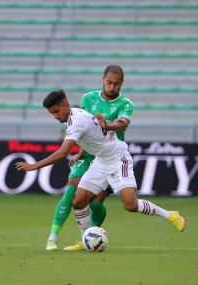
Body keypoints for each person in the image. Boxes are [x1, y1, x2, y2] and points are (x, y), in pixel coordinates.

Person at [16, 89, 185, 242]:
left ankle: (170, 215)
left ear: (65, 105)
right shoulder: (73, 115)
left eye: (56, 111)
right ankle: (86, 239)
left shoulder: (76, 121)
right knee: (79, 201)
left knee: (130, 205)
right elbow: (92, 138)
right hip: (100, 161)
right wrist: (80, 155)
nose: (55, 116)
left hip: (119, 159)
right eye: (51, 113)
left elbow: (62, 152)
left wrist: (34, 166)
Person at [45, 65, 135, 251]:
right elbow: (88, 129)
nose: (112, 87)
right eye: (109, 82)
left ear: (122, 84)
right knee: (71, 194)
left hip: (110, 156)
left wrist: (108, 125)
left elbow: (120, 126)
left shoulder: (126, 104)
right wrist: (79, 154)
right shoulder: (88, 98)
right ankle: (52, 239)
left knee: (95, 203)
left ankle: (91, 238)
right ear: (103, 79)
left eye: (116, 84)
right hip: (87, 155)